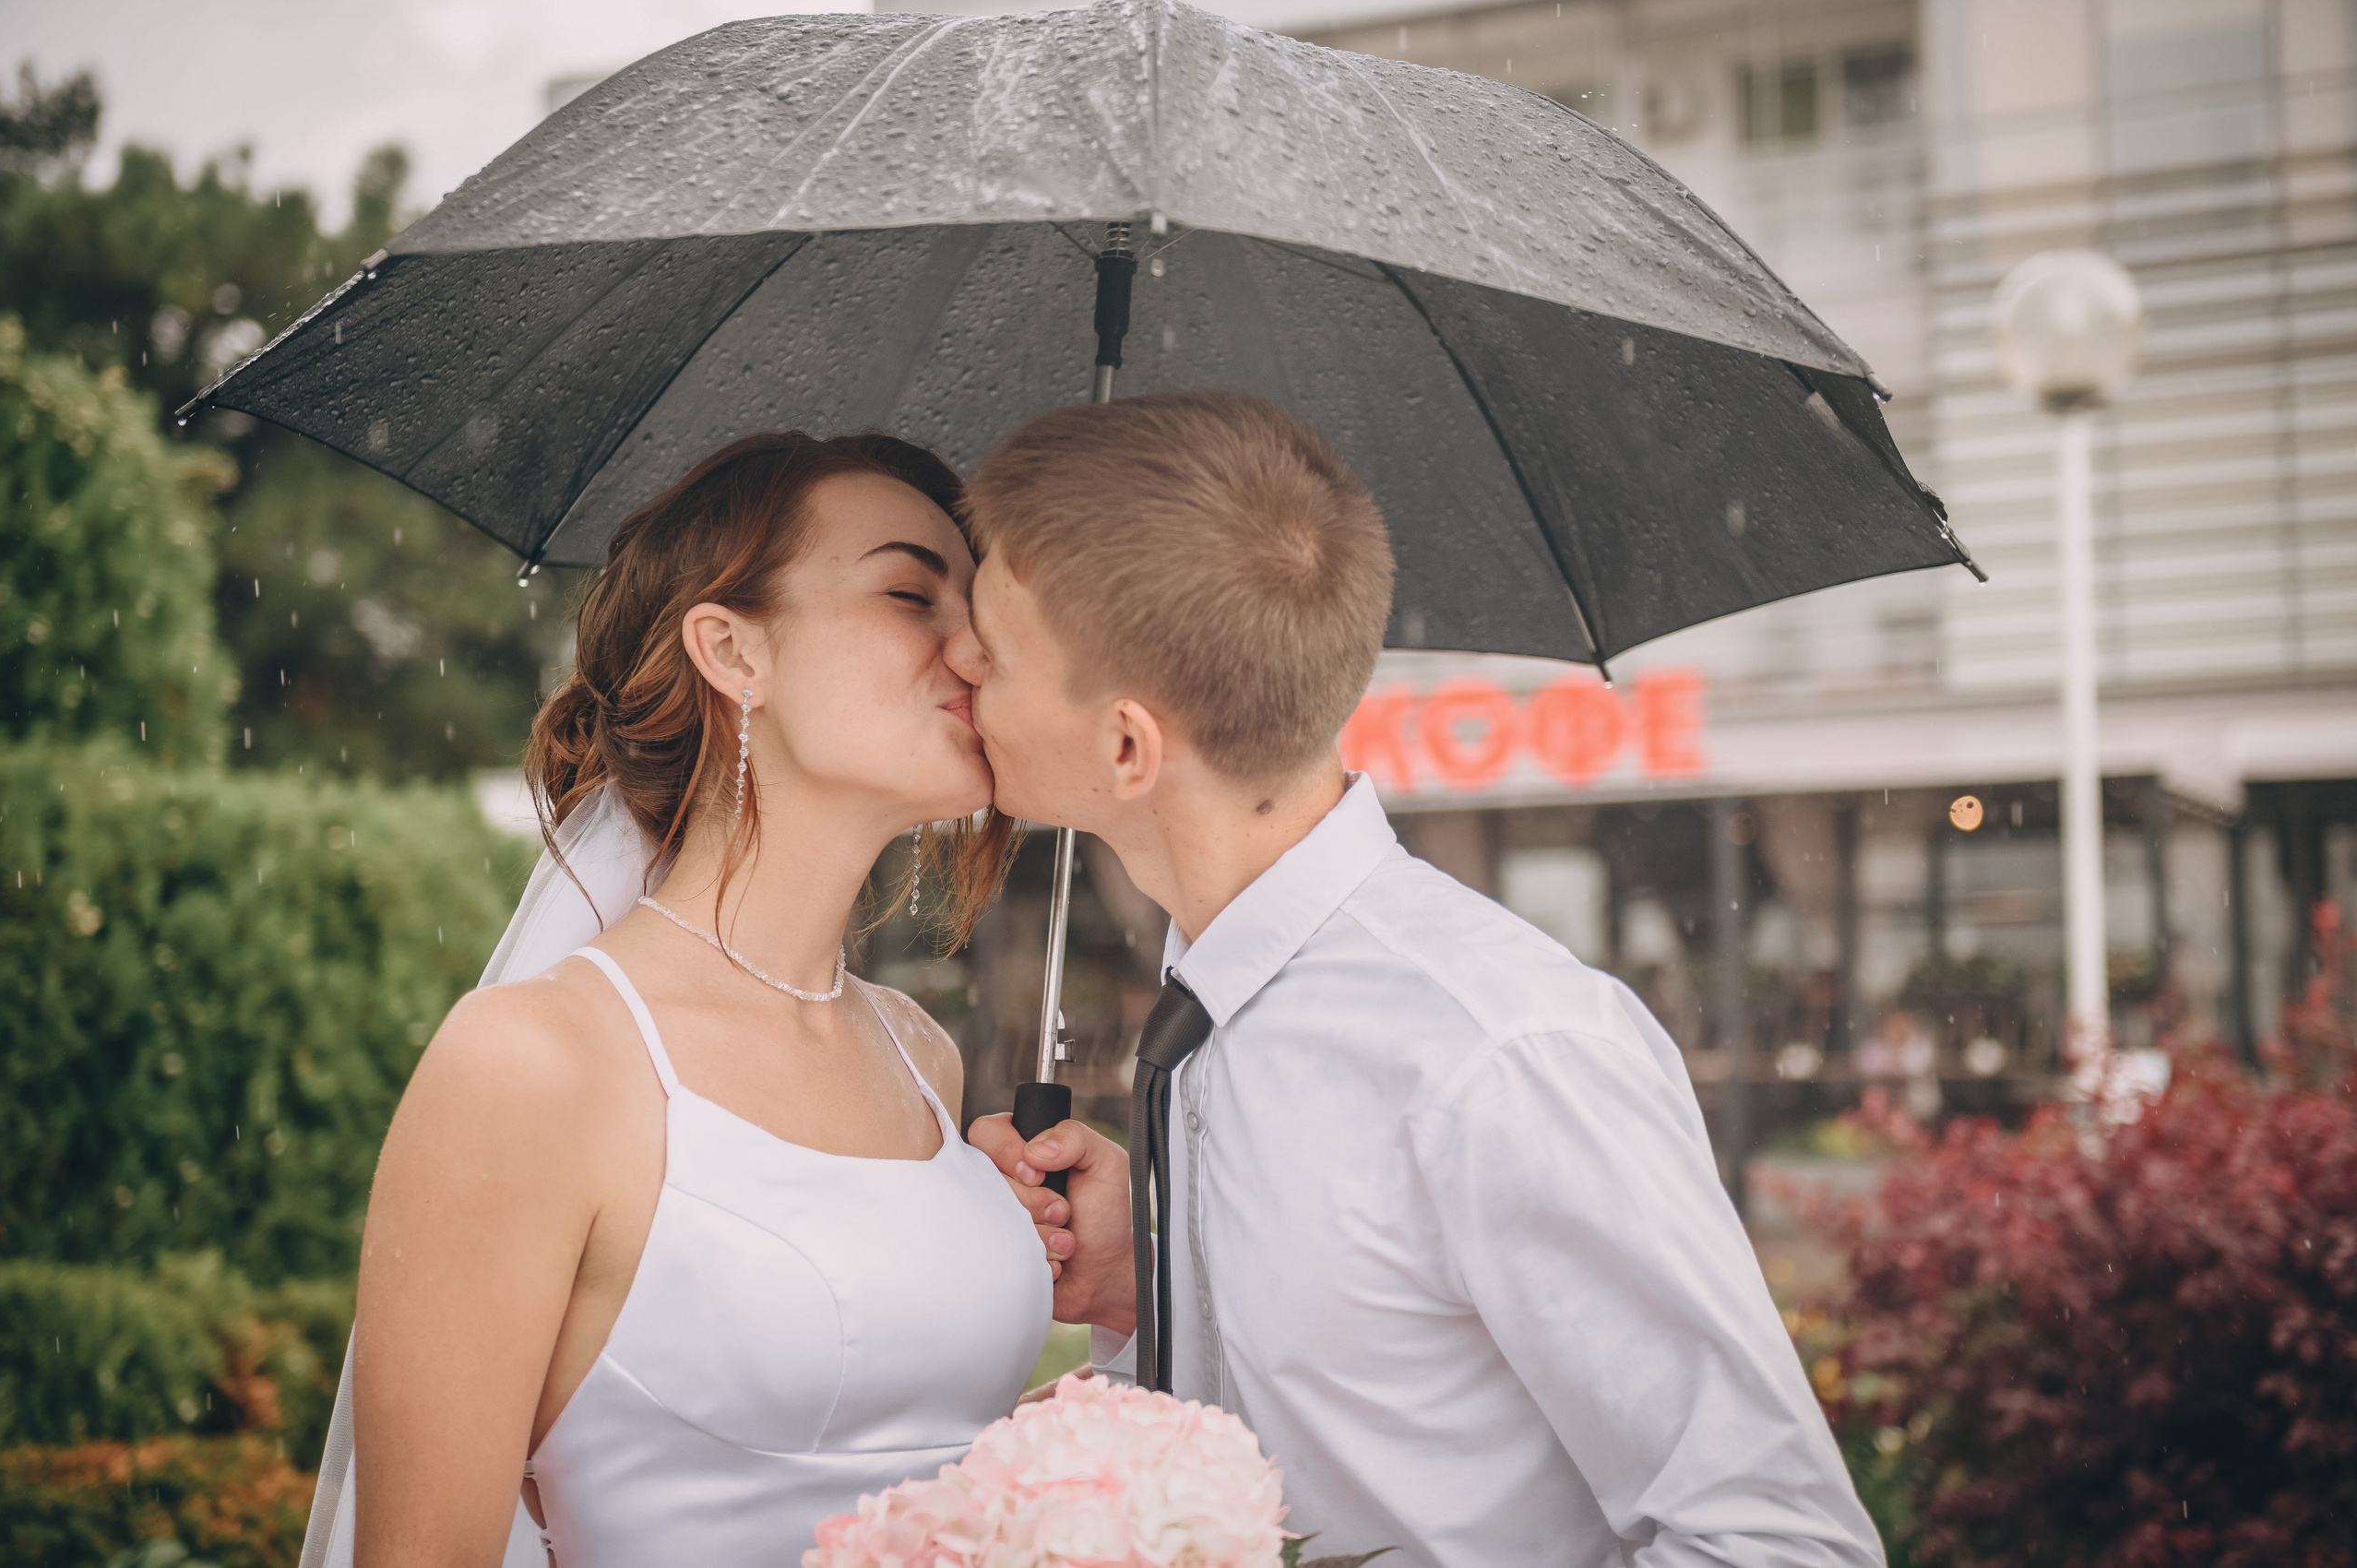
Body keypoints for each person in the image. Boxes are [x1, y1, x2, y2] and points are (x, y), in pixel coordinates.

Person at [953, 392, 1884, 1567]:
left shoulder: (1500, 1052)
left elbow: (1781, 1544)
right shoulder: (1217, 999)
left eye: (991, 652)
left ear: (1127, 746)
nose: (958, 662)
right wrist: (1153, 1289)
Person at [341, 433, 1051, 1567]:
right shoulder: (533, 1063)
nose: (974, 646)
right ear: (731, 649)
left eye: (977, 605)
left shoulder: (920, 1055)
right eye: (911, 593)